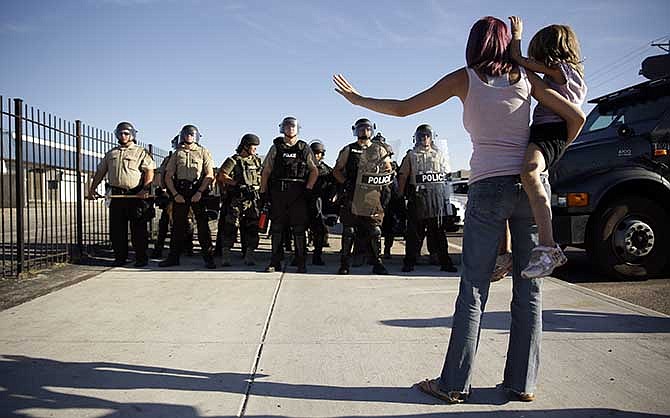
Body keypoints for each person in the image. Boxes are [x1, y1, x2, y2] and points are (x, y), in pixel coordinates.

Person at [333, 16, 585, 403]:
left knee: (474, 289)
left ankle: (453, 384)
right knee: (529, 289)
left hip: (487, 188)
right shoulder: (526, 78)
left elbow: (403, 109)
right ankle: (522, 383)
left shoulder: (464, 78)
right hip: (532, 186)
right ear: (506, 44)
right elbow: (574, 114)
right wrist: (552, 155)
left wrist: (357, 100)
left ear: (474, 44)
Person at [509, 16, 587, 279]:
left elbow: (520, 61)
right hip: (547, 132)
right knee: (526, 174)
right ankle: (533, 247)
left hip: (549, 131)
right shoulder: (570, 75)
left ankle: (548, 246)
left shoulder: (561, 70)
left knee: (530, 173)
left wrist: (516, 35)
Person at [88, 122, 155, 267]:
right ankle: (120, 258)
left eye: (126, 133)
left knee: (138, 229)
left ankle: (141, 258)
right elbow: (100, 172)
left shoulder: (141, 152)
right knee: (117, 229)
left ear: (132, 134)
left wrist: (145, 188)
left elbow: (149, 171)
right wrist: (92, 188)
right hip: (116, 195)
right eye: (120, 133)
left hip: (135, 195)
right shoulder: (111, 153)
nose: (123, 136)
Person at [332, 118, 393, 275]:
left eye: (367, 129)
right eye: (361, 129)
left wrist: (380, 179)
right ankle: (344, 263)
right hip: (352, 194)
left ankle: (377, 263)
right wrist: (346, 183)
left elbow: (388, 170)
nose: (364, 131)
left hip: (372, 195)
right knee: (349, 231)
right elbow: (337, 170)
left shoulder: (379, 150)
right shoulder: (349, 149)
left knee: (375, 231)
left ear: (371, 130)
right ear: (355, 130)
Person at [260, 116, 318, 273]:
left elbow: (314, 170)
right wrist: (263, 190)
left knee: (299, 229)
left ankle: (300, 262)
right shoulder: (276, 147)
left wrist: (308, 188)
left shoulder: (303, 147)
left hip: (298, 192)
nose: (290, 129)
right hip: (278, 191)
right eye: (287, 126)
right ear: (282, 128)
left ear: (297, 129)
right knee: (277, 228)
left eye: (292, 126)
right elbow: (266, 170)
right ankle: (275, 261)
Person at [397, 124, 457, 273]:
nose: (424, 138)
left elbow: (447, 176)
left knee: (438, 232)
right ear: (416, 138)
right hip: (418, 197)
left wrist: (447, 197)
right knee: (414, 233)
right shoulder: (411, 155)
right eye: (421, 136)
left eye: (427, 135)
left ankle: (445, 261)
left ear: (431, 138)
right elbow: (403, 175)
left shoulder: (439, 155)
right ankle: (409, 261)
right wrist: (400, 194)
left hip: (436, 198)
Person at [159, 124, 216, 269]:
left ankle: (208, 258)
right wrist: (175, 194)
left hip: (198, 191)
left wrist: (200, 192)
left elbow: (209, 174)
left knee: (203, 227)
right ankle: (173, 257)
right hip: (180, 193)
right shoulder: (177, 153)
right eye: (186, 134)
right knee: (177, 227)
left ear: (196, 136)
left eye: (191, 134)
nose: (188, 137)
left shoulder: (203, 152)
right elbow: (168, 176)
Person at [218, 133, 263, 267]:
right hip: (237, 199)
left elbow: (261, 176)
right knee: (230, 227)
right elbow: (221, 176)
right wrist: (237, 185)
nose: (255, 149)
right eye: (253, 146)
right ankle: (225, 256)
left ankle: (249, 255)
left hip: (252, 200)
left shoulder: (256, 161)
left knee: (252, 228)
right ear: (245, 146)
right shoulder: (234, 160)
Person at [151, 135, 194, 259]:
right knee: (165, 222)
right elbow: (161, 174)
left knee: (188, 221)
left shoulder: (194, 156)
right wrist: (164, 190)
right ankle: (159, 247)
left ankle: (188, 246)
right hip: (171, 193)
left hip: (186, 193)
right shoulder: (170, 158)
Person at [308, 140, 337, 265]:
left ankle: (317, 255)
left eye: (318, 153)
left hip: (319, 203)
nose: (316, 155)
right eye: (314, 153)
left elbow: (334, 186)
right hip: (304, 201)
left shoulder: (327, 171)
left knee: (320, 230)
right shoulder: (303, 167)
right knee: (299, 230)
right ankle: (298, 256)